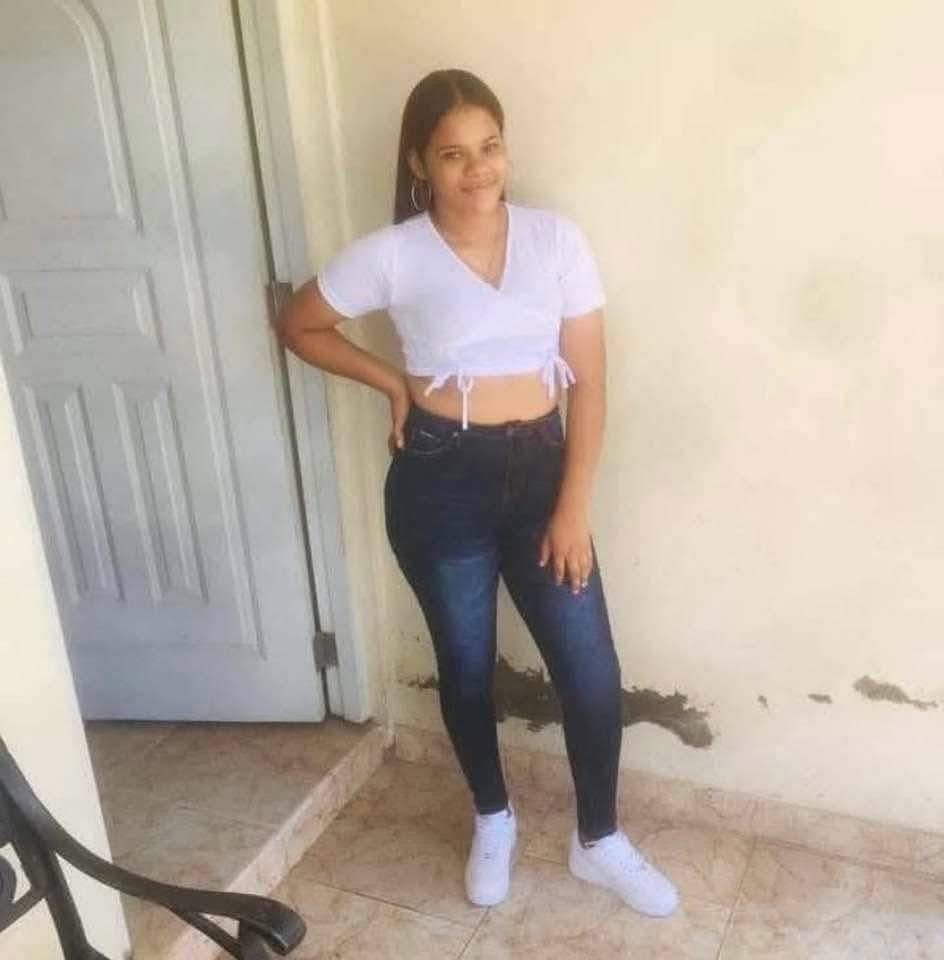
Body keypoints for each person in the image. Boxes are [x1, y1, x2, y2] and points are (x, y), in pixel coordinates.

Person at [278, 69, 678, 917]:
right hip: (438, 477)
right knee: (465, 667)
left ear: (506, 148)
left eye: (489, 147)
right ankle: (493, 818)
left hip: (542, 472)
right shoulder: (393, 253)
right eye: (453, 154)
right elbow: (300, 325)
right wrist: (392, 382)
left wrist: (572, 507)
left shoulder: (555, 240)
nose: (477, 169)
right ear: (419, 163)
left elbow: (591, 384)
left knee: (590, 670)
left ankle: (598, 840)